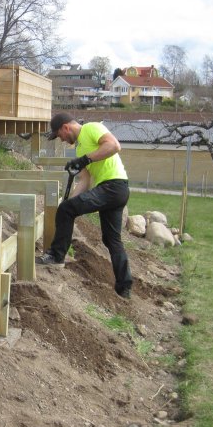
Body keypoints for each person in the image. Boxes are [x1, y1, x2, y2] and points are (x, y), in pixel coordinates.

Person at [37, 112, 132, 299]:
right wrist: (70, 201)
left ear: (66, 127)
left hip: (113, 186)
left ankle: (56, 256)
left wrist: (86, 159)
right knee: (111, 240)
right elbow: (85, 181)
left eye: (60, 135)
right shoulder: (80, 149)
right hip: (113, 190)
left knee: (66, 211)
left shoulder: (91, 128)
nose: (62, 140)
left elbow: (114, 146)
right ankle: (124, 288)